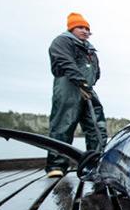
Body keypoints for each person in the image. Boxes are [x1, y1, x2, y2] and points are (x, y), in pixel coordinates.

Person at [45, 12, 107, 178]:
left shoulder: (90, 48)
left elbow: (95, 70)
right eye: (81, 27)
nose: (85, 31)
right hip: (69, 86)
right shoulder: (62, 42)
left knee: (97, 126)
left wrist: (89, 84)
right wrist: (80, 83)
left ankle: (97, 162)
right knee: (63, 125)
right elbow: (65, 62)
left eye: (87, 28)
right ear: (71, 28)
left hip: (88, 88)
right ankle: (56, 165)